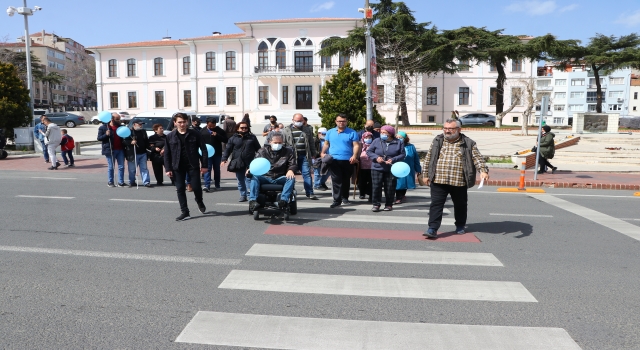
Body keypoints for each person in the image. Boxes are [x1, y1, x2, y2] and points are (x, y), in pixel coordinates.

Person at [422, 119, 489, 238]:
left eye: (450, 129)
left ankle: (460, 225)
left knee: (460, 205)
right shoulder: (438, 140)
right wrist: (426, 174)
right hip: (438, 180)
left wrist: (483, 170)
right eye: (445, 128)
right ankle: (432, 228)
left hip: (459, 181)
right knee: (436, 205)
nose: (447, 131)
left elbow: (477, 158)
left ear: (459, 129)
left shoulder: (468, 143)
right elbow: (429, 158)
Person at [163, 113, 208, 221]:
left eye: (184, 122)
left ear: (187, 122)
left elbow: (204, 150)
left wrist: (204, 165)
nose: (182, 124)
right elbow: (167, 154)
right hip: (177, 166)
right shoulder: (170, 136)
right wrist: (168, 168)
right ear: (175, 123)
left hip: (192, 165)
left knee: (196, 187)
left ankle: (199, 200)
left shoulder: (195, 134)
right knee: (180, 189)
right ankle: (185, 211)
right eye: (179, 122)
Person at [248, 132, 297, 212]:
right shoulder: (262, 151)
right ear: (270, 141)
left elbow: (293, 163)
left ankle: (283, 201)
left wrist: (291, 170)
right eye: (275, 143)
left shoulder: (288, 152)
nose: (278, 144)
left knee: (291, 178)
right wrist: (251, 169)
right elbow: (256, 162)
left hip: (280, 177)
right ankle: (253, 201)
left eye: (280, 143)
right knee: (254, 177)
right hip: (266, 176)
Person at [320, 113, 360, 208]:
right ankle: (337, 200)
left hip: (348, 160)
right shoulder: (330, 132)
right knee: (336, 180)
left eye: (343, 121)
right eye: (339, 121)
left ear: (346, 122)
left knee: (346, 180)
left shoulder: (352, 132)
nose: (341, 123)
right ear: (336, 121)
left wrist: (354, 156)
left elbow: (356, 145)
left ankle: (345, 198)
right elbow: (326, 144)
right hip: (333, 160)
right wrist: (322, 153)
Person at [366, 125, 406, 211]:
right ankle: (376, 204)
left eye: (384, 132)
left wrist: (393, 159)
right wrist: (376, 157)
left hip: (391, 168)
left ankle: (389, 204)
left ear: (390, 134)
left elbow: (402, 154)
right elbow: (369, 151)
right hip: (377, 168)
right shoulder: (376, 141)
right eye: (381, 132)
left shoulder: (399, 142)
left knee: (390, 187)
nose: (382, 134)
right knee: (376, 186)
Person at [222, 121, 261, 202]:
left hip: (250, 162)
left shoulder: (252, 137)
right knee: (240, 180)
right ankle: (243, 195)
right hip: (238, 162)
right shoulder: (233, 138)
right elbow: (228, 149)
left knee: (249, 179)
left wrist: (259, 158)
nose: (244, 129)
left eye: (246, 128)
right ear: (237, 128)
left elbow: (259, 149)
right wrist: (224, 159)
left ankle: (250, 196)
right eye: (242, 128)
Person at [283, 113, 318, 200]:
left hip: (304, 155)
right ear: (293, 120)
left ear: (303, 120)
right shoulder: (286, 130)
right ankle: (290, 191)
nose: (299, 122)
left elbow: (311, 143)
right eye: (297, 121)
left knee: (307, 174)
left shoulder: (307, 130)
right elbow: (283, 143)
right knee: (290, 175)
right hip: (291, 157)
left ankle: (310, 192)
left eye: (300, 121)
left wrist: (314, 153)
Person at [97, 113, 126, 187]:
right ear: (112, 119)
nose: (119, 120)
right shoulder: (104, 127)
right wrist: (106, 135)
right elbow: (99, 138)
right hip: (110, 150)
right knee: (111, 167)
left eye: (119, 119)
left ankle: (121, 182)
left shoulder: (121, 127)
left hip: (120, 149)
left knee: (121, 166)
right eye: (117, 119)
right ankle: (110, 182)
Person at [201, 116, 228, 192]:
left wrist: (217, 135)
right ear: (207, 124)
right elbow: (199, 142)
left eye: (213, 126)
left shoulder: (220, 131)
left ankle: (217, 184)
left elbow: (225, 140)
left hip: (217, 153)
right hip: (207, 154)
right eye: (210, 126)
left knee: (216, 170)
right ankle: (207, 185)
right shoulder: (202, 131)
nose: (211, 127)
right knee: (207, 169)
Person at [123, 119, 151, 188]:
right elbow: (124, 141)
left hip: (143, 153)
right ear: (134, 124)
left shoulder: (143, 131)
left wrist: (150, 148)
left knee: (144, 168)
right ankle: (132, 181)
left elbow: (146, 141)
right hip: (133, 154)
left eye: (141, 124)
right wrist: (130, 142)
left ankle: (146, 182)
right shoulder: (129, 132)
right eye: (139, 124)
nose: (141, 125)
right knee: (132, 169)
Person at [395, 131, 421, 204]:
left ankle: (402, 195)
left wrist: (418, 169)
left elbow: (416, 158)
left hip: (408, 168)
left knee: (405, 183)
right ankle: (398, 197)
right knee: (399, 183)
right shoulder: (394, 146)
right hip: (398, 168)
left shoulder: (411, 146)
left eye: (400, 137)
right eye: (397, 137)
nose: (399, 139)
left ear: (405, 138)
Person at [357, 131, 374, 201]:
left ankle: (371, 194)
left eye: (370, 137)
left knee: (371, 182)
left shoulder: (374, 145)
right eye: (366, 137)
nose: (368, 139)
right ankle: (362, 193)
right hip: (362, 167)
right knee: (362, 181)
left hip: (372, 167)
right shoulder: (360, 146)